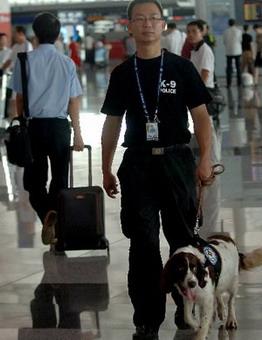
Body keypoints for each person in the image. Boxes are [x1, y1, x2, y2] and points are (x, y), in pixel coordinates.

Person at [101, 1, 212, 339]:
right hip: (137, 165)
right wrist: (106, 168)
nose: (147, 24)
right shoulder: (122, 73)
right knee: (143, 243)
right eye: (140, 19)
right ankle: (147, 317)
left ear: (163, 25)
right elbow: (111, 124)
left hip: (177, 160)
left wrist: (205, 157)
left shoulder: (181, 68)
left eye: (154, 18)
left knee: (182, 240)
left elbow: (201, 117)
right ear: (130, 26)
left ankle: (186, 309)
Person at [10, 12, 84, 246]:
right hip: (61, 127)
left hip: (34, 129)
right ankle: (56, 219)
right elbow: (73, 101)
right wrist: (79, 133)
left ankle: (46, 216)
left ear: (35, 34)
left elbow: (19, 100)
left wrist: (19, 122)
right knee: (60, 179)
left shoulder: (23, 61)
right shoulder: (67, 62)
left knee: (34, 183)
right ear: (58, 34)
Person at [186, 20, 221, 238]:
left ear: (203, 32)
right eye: (188, 32)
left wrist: (192, 91)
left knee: (209, 133)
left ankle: (212, 162)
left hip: (203, 97)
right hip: (196, 97)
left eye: (194, 31)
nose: (190, 35)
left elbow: (205, 75)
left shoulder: (205, 50)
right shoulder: (194, 51)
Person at [223, 18, 242, 88]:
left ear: (228, 24)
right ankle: (239, 83)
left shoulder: (225, 31)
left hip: (229, 51)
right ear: (235, 23)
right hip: (237, 51)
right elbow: (240, 41)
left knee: (229, 68)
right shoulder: (239, 31)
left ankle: (229, 84)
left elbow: (224, 42)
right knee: (238, 67)